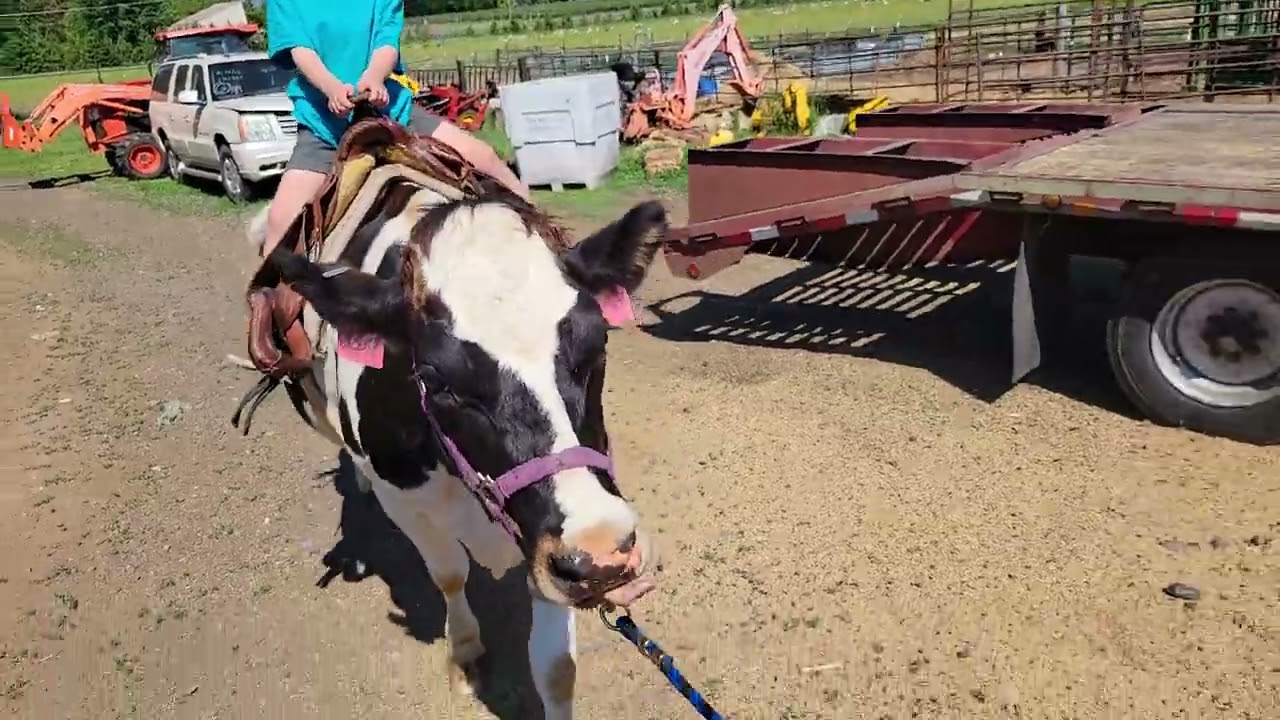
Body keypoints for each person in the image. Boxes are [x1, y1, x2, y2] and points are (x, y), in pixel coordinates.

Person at [261, 0, 529, 258]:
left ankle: (547, 240)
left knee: (486, 159)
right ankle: (271, 300)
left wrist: (375, 77)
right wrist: (331, 88)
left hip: (393, 113)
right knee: (279, 223)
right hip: (324, 126)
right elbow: (301, 50)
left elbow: (385, 41)